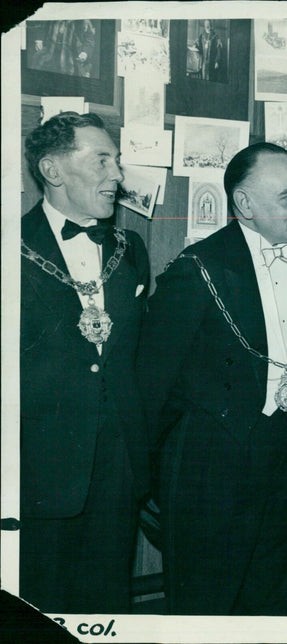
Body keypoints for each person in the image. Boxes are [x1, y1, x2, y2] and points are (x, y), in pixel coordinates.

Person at [136, 143, 287, 615]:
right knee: (207, 604)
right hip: (209, 466)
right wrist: (152, 483)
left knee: (276, 597)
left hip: (285, 457)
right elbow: (152, 385)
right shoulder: (197, 269)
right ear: (244, 205)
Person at [19, 111, 150, 613]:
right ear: (53, 171)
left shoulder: (129, 248)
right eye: (102, 160)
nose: (117, 175)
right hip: (38, 476)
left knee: (107, 606)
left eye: (116, 161)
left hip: (119, 475)